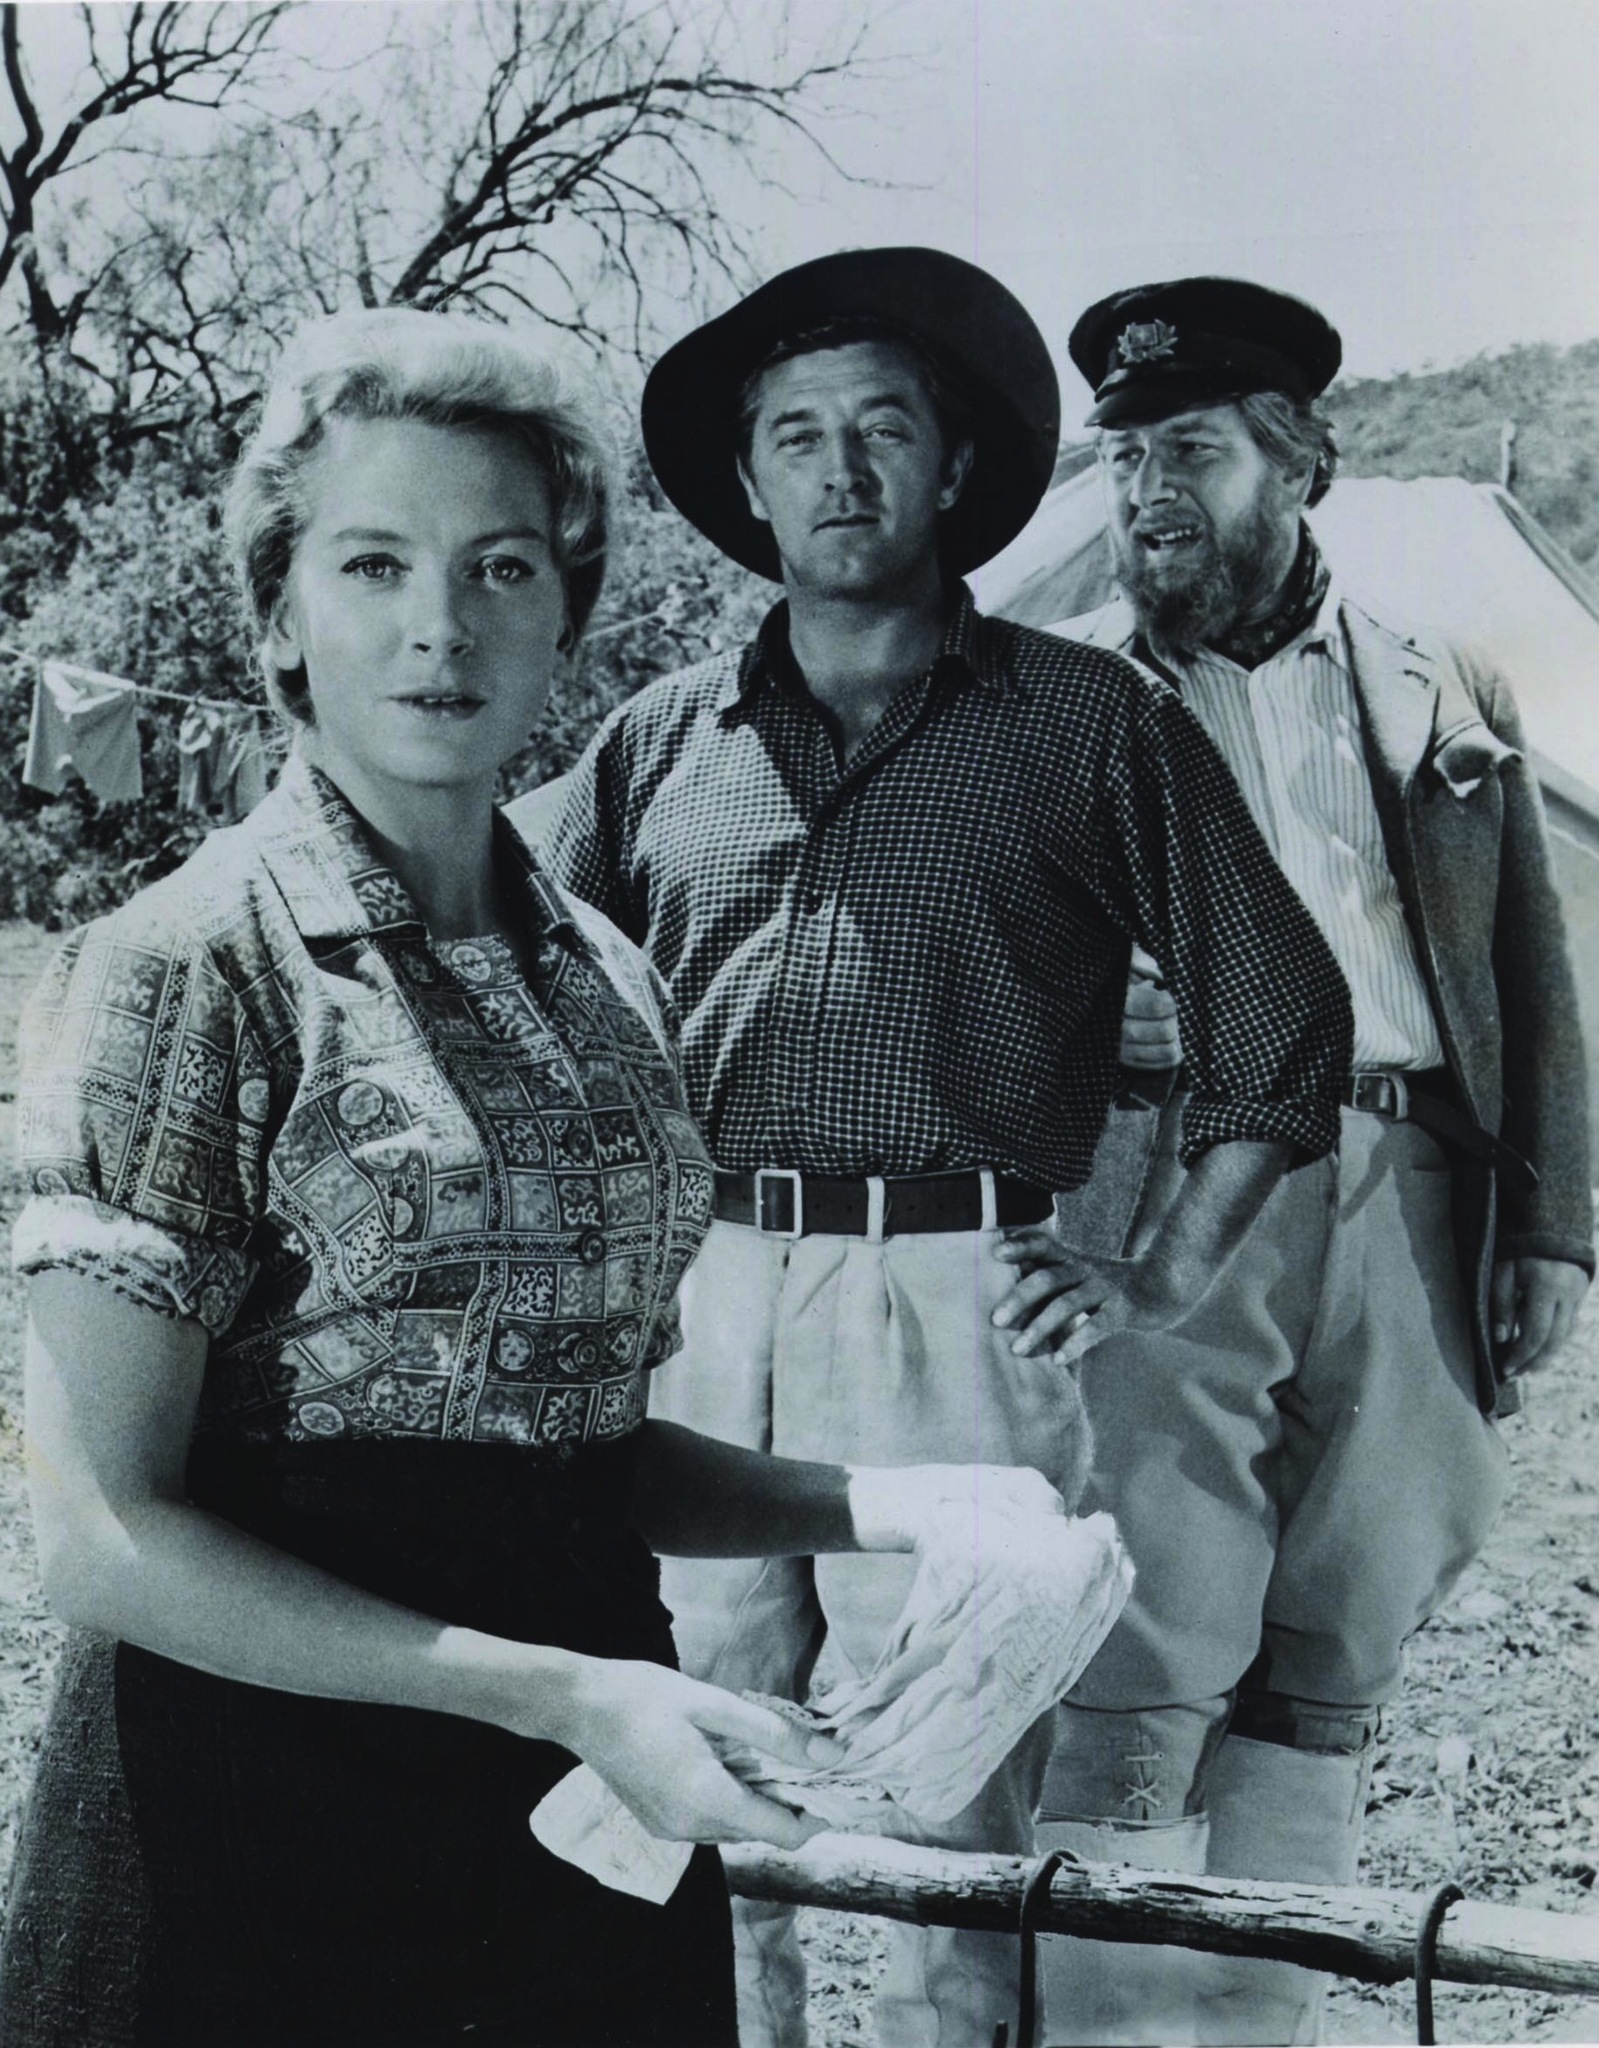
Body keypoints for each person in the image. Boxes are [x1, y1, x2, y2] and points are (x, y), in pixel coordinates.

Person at [0, 307, 1072, 2048]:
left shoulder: (603, 975)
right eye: (373, 564)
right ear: (278, 618)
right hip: (261, 1837)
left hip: (584, 1835)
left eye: (503, 565)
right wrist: (568, 1699)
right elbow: (107, 1538)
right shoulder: (187, 968)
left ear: (567, 614)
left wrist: (883, 1503)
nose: (443, 622)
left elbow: (571, 1448)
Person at [515, 246, 1355, 2048]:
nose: (840, 473)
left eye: (882, 430)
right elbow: (509, 971)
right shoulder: (663, 740)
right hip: (702, 1301)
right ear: (747, 483)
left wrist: (1155, 1269)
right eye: (797, 437)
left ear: (957, 467)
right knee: (692, 1737)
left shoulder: (1084, 726)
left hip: (959, 1300)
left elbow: (1281, 1018)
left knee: (950, 1776)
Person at [1034, 276, 1594, 2046]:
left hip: (1412, 1190)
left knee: (1347, 1619)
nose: (1147, 498)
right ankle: (1120, 2034)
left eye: (1190, 452)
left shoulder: (1444, 688)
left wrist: (1554, 1227)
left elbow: (1529, 973)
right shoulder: (1054, 706)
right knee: (1145, 1618)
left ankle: (1255, 2027)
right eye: (1127, 460)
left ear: (1305, 465)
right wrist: (1072, 1020)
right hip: (1166, 1189)